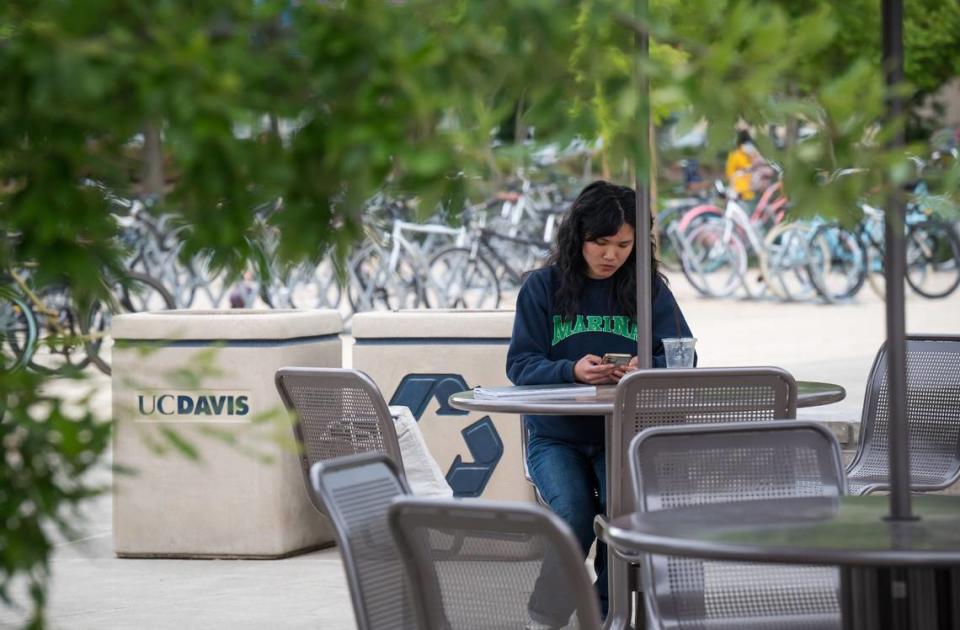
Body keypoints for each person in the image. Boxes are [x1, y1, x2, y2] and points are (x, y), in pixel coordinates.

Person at [506, 180, 694, 627]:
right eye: (600, 243)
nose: (611, 255)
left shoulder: (648, 290)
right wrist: (571, 370)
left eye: (624, 244)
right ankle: (545, 616)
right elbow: (520, 364)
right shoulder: (542, 288)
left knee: (623, 516)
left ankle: (606, 609)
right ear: (578, 238)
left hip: (624, 436)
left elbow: (681, 354)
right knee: (574, 513)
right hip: (557, 438)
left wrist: (644, 370)